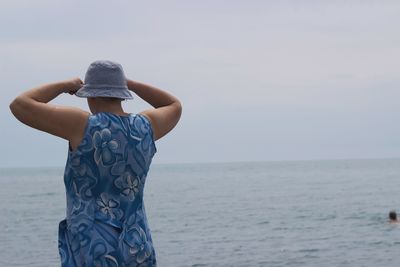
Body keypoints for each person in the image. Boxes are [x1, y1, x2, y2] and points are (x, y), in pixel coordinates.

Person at [9, 60, 182, 266]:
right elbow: (174, 105)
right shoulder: (144, 127)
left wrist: (66, 85)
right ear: (121, 94)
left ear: (89, 94)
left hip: (93, 245)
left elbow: (20, 104)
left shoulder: (82, 125)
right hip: (137, 241)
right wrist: (130, 83)